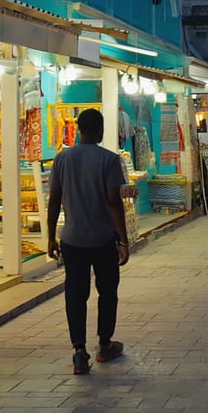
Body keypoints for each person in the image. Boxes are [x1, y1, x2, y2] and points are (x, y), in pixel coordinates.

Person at [47, 109, 129, 375]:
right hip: (103, 239)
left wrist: (50, 237)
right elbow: (114, 203)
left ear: (79, 129)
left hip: (72, 240)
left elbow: (54, 201)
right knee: (107, 292)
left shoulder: (61, 159)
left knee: (75, 294)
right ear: (100, 130)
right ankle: (105, 344)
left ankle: (79, 351)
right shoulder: (109, 160)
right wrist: (124, 240)